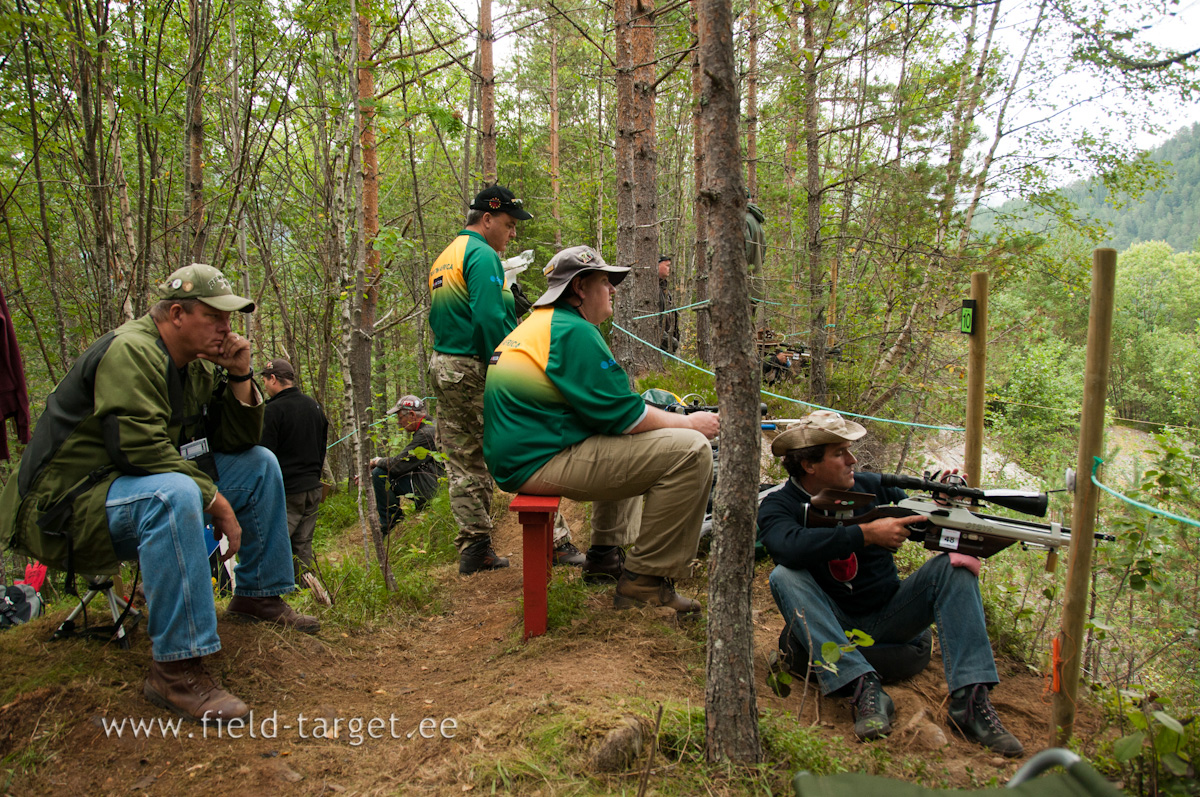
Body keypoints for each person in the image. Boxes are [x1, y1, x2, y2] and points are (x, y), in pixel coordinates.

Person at [0, 263, 317, 725]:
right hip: (67, 509)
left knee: (259, 466)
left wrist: (239, 375)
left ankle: (258, 596)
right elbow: (137, 447)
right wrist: (215, 500)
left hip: (128, 489)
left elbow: (235, 444)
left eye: (230, 319)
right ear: (176, 314)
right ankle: (175, 668)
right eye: (216, 318)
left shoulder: (193, 367)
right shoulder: (132, 351)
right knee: (175, 493)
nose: (228, 329)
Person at [757, 410, 1023, 756]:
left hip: (890, 615)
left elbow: (920, 514)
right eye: (839, 453)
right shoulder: (779, 504)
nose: (853, 460)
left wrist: (939, 503)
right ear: (809, 464)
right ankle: (863, 687)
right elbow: (785, 546)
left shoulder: (871, 487)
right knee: (784, 575)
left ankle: (970, 701)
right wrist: (864, 535)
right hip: (832, 623)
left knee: (954, 568)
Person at [483, 245, 719, 615]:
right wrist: (690, 423)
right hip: (537, 461)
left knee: (640, 439)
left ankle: (607, 555)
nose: (613, 290)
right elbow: (625, 417)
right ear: (579, 287)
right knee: (691, 451)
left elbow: (610, 411)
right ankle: (646, 581)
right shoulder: (571, 331)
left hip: (525, 453)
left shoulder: (542, 325)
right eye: (606, 282)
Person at [427, 184, 532, 575]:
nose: (512, 233)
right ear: (486, 219)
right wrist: (505, 369)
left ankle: (475, 548)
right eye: (508, 224)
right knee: (525, 441)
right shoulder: (482, 254)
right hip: (474, 366)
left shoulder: (446, 255)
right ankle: (554, 541)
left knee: (464, 458)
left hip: (443, 364)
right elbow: (487, 320)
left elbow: (455, 313)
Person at [260, 358, 329, 579]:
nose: (264, 386)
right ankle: (302, 588)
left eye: (264, 380)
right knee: (302, 544)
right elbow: (321, 448)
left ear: (273, 379)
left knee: (275, 543)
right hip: (312, 488)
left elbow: (264, 454)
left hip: (288, 491)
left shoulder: (272, 410)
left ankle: (272, 592)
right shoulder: (314, 406)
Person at [370, 395, 443, 531]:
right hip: (436, 480)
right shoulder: (430, 427)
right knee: (382, 470)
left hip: (434, 486)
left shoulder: (426, 433)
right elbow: (404, 460)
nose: (399, 422)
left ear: (412, 415)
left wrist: (376, 461)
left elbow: (398, 465)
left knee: (379, 474)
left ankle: (390, 525)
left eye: (400, 418)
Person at [657, 255, 680, 353]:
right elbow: (651, 324)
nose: (669, 269)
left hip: (668, 349)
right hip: (658, 348)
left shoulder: (665, 289)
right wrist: (670, 341)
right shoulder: (651, 290)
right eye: (667, 266)